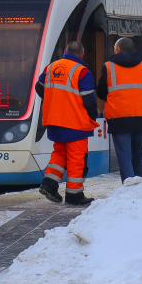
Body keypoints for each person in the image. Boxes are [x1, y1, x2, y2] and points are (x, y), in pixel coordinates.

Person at [36, 41, 98, 206]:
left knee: (60, 153)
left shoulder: (51, 67)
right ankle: (74, 194)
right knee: (77, 157)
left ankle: (49, 184)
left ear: (65, 51)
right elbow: (89, 98)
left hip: (54, 119)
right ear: (82, 55)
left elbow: (39, 87)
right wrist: (93, 116)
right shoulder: (82, 72)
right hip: (75, 122)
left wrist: (55, 100)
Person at [96, 37, 142, 182]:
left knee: (124, 157)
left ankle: (129, 190)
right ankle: (139, 189)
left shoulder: (108, 67)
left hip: (119, 119)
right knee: (139, 157)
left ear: (118, 50)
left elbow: (101, 93)